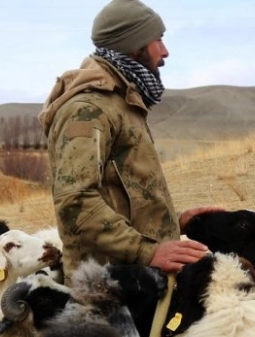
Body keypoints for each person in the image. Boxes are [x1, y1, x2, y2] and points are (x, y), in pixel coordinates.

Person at [39, 0, 216, 285]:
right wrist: (146, 250)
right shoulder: (88, 109)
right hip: (107, 288)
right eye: (158, 39)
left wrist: (176, 221)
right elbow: (75, 202)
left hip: (137, 279)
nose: (165, 51)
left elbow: (122, 194)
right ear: (134, 46)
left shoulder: (122, 102)